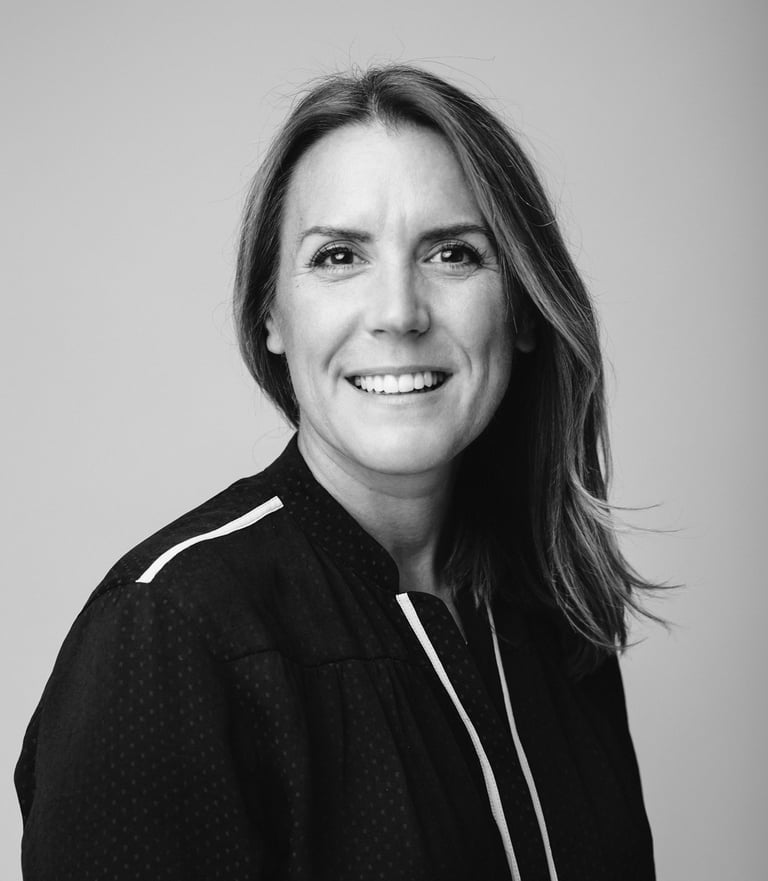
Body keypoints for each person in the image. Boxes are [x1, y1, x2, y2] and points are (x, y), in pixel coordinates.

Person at [15, 64, 658, 880]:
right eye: (340, 256)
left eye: (454, 252)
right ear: (270, 313)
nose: (398, 311)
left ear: (524, 306)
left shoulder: (551, 611)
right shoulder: (167, 636)